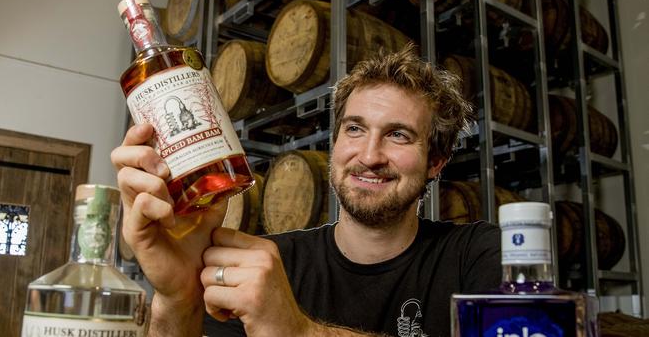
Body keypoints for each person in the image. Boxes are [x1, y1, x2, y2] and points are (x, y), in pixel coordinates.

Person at [111, 44, 501, 337]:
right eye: (354, 128)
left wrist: (299, 331)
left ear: (436, 161)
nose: (369, 155)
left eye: (398, 135)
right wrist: (177, 299)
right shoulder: (270, 263)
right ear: (335, 142)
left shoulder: (476, 256)